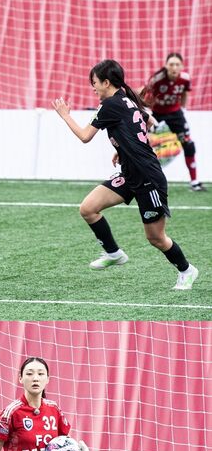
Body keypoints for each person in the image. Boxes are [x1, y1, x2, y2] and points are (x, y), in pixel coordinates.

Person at [53, 60, 198, 292]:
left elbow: (85, 136)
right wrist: (122, 149)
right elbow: (147, 121)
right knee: (88, 209)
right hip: (130, 174)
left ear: (106, 83)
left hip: (148, 178)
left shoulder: (110, 104)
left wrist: (65, 115)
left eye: (94, 83)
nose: (93, 87)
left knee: (156, 238)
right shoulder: (127, 98)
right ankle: (114, 253)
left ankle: (186, 270)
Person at [140, 51, 204, 190]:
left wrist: (183, 109)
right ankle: (142, 178)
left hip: (175, 114)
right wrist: (149, 113)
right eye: (171, 64)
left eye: (177, 64)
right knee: (141, 142)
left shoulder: (185, 78)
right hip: (156, 113)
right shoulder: (157, 79)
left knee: (188, 143)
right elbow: (147, 95)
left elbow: (185, 93)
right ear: (166, 65)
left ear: (182, 66)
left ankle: (194, 182)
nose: (174, 67)